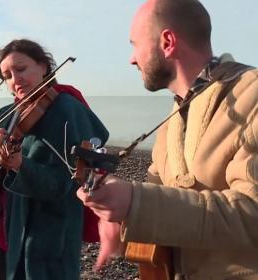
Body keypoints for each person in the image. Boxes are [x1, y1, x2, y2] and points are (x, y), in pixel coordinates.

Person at [76, 0, 258, 279]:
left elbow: (251, 213)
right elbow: (163, 201)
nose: (132, 59)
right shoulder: (174, 119)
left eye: (135, 44)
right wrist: (120, 218)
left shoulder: (251, 97)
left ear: (168, 42)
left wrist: (135, 203)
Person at [0, 39, 109, 280]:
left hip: (45, 236)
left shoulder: (68, 110)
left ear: (44, 67)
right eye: (7, 75)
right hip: (5, 229)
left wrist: (19, 165)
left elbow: (65, 185)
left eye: (21, 69)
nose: (15, 79)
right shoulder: (14, 111)